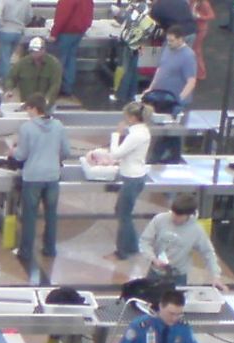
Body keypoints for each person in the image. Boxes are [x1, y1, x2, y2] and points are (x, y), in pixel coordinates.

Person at [10, 96, 70, 266]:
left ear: (34, 108)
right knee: (51, 214)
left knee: (30, 215)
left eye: (28, 109)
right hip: (52, 176)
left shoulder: (27, 128)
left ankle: (26, 251)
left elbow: (21, 154)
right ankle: (50, 249)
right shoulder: (58, 125)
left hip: (33, 176)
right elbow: (66, 151)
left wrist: (12, 151)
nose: (27, 113)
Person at [91, 102, 152, 260]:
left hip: (132, 178)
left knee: (123, 214)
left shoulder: (136, 135)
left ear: (133, 117)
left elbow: (116, 154)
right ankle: (132, 245)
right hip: (135, 175)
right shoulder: (141, 131)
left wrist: (116, 134)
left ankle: (122, 252)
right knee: (122, 211)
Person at [143, 27, 198, 160]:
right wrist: (151, 88)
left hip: (174, 102)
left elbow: (191, 81)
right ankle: (172, 158)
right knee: (167, 132)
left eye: (172, 41)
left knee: (172, 132)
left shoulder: (188, 56)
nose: (169, 43)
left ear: (180, 39)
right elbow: (160, 69)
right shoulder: (167, 49)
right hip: (161, 98)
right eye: (168, 40)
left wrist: (180, 99)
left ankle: (160, 158)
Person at [140, 194, 220, 282]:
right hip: (155, 272)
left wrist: (215, 275)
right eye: (173, 214)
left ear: (188, 215)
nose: (174, 218)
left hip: (178, 276)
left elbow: (208, 252)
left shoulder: (197, 230)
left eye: (179, 216)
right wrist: (153, 259)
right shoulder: (159, 219)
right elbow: (144, 241)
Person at [51, 0, 94, 96]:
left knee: (59, 61)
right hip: (79, 32)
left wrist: (54, 33)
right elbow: (89, 14)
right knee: (71, 59)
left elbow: (62, 16)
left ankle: (55, 88)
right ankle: (67, 87)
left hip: (66, 32)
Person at [6, 37, 63, 105]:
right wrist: (9, 89)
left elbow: (55, 84)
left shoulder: (54, 64)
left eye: (36, 51)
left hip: (46, 105)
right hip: (27, 103)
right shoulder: (22, 63)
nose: (34, 53)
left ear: (43, 50)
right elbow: (11, 77)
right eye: (32, 51)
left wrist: (48, 98)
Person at [0, 0, 32, 88]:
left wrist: (0, 25)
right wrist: (22, 24)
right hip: (18, 31)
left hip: (5, 30)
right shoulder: (26, 2)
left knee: (4, 59)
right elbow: (29, 16)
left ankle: (8, 83)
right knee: (4, 59)